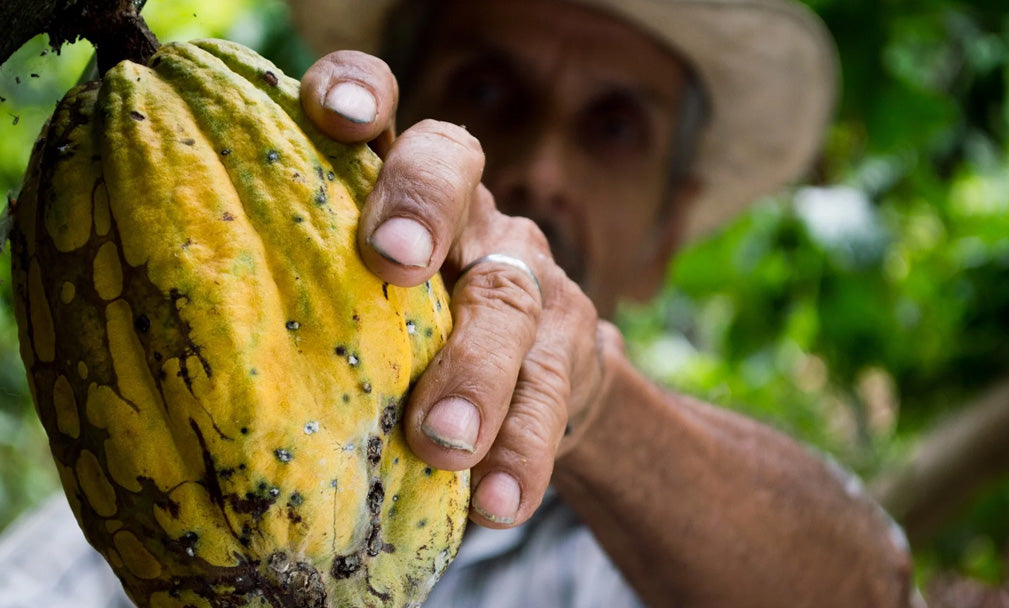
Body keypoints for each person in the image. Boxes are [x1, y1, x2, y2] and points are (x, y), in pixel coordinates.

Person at [0, 0, 919, 606]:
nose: (541, 168)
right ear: (369, 136)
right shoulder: (103, 543)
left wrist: (591, 402)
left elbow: (871, 586)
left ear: (668, 234)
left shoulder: (663, 555)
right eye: (484, 90)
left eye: (613, 126)